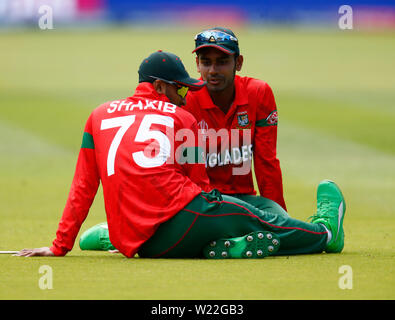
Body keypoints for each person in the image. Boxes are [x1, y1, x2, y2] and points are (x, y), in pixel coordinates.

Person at [15, 50, 347, 259]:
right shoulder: (181, 117)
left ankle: (216, 244)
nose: (185, 94)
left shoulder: (98, 115)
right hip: (184, 221)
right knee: (257, 217)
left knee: (226, 219)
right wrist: (237, 208)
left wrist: (59, 246)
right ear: (160, 87)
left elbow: (83, 187)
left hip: (139, 244)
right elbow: (202, 189)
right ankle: (326, 234)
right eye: (180, 87)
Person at [184, 27, 288, 214]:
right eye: (206, 62)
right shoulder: (185, 99)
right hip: (201, 201)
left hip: (245, 200)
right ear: (197, 65)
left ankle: (326, 230)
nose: (213, 70)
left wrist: (278, 219)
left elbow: (267, 163)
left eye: (222, 62)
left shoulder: (258, 93)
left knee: (282, 226)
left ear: (238, 63)